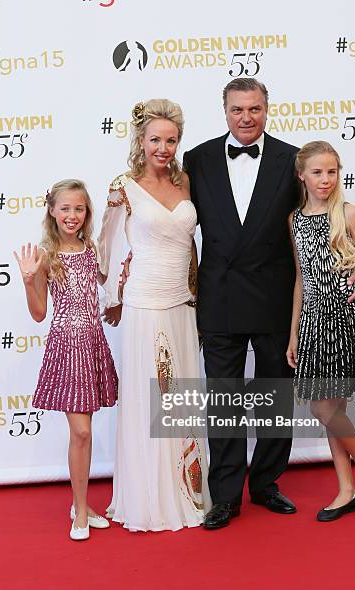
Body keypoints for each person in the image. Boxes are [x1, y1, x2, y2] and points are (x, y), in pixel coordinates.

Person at [182, 78, 355, 529]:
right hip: (219, 295)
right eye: (237, 109)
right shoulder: (198, 158)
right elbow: (178, 225)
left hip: (275, 296)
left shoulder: (291, 159)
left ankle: (265, 482)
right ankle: (225, 495)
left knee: (273, 394)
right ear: (224, 110)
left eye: (255, 109)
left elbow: (322, 215)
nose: (246, 117)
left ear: (268, 109)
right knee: (223, 399)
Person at [98, 98, 211, 532]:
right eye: (155, 140)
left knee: (181, 399)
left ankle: (188, 491)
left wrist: (198, 295)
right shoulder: (122, 187)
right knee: (154, 399)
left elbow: (192, 245)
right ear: (140, 141)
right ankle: (149, 499)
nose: (163, 148)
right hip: (144, 303)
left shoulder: (186, 182)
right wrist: (111, 295)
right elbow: (105, 246)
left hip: (183, 304)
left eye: (171, 140)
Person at [14, 179, 118, 541]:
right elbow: (40, 313)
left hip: (91, 343)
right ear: (52, 210)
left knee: (84, 434)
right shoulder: (46, 255)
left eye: (79, 209)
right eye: (65, 208)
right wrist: (29, 280)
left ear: (86, 213)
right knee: (82, 431)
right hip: (66, 347)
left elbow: (106, 286)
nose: (72, 215)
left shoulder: (92, 248)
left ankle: (84, 505)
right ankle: (79, 510)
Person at [286, 141, 355, 521]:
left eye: (332, 171)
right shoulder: (294, 219)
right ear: (302, 176)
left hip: (346, 320)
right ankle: (345, 488)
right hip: (313, 323)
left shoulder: (348, 213)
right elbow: (300, 278)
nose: (325, 179)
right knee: (329, 409)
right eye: (317, 172)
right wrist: (294, 333)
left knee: (326, 407)